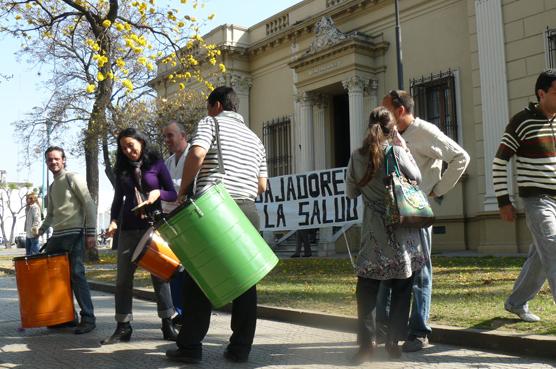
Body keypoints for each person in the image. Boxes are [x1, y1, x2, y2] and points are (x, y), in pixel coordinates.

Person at [165, 86, 267, 364]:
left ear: (217, 106)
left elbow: (197, 155)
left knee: (197, 276)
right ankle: (239, 349)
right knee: (246, 283)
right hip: (247, 209)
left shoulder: (210, 123)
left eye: (209, 106)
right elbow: (262, 185)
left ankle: (189, 347)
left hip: (216, 208)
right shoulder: (255, 138)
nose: (207, 112)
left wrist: (183, 190)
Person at [381, 90, 470, 352]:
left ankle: (419, 331)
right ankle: (387, 330)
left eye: (386, 111)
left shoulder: (425, 132)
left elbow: (460, 157)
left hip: (418, 215)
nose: (382, 116)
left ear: (399, 111)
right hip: (394, 215)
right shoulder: (390, 135)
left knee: (420, 272)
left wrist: (438, 190)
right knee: (391, 271)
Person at [346, 106, 426, 362]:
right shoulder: (397, 152)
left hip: (372, 235)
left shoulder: (357, 156)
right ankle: (393, 342)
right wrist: (404, 148)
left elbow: (351, 192)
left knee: (367, 291)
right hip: (400, 234)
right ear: (393, 130)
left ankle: (366, 345)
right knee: (402, 287)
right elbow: (418, 178)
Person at [102, 128, 179, 344]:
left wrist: (158, 194)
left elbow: (172, 193)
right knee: (123, 280)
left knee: (160, 276)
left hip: (153, 227)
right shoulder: (122, 170)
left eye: (130, 145)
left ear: (141, 142)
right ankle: (123, 326)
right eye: (123, 147)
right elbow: (119, 200)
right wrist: (114, 221)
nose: (128, 150)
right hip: (128, 228)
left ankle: (167, 323)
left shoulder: (156, 163)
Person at [493, 69, 556, 323]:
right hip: (537, 200)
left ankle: (516, 303)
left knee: (541, 256)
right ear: (541, 94)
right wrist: (503, 201)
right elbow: (499, 162)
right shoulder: (521, 121)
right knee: (553, 247)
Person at [38, 146, 97, 334]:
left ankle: (88, 318)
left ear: (63, 160)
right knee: (54, 277)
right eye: (49, 160)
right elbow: (51, 214)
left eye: (56, 159)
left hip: (75, 234)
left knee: (77, 274)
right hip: (57, 236)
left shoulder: (73, 178)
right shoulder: (53, 186)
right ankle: (66, 317)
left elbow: (88, 203)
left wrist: (91, 233)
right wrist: (40, 229)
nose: (53, 162)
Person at [161, 121, 190, 325]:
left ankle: (191, 311)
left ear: (183, 135)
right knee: (174, 268)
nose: (167, 140)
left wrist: (169, 192)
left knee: (189, 269)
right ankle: (180, 310)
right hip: (171, 220)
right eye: (165, 136)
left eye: (170, 135)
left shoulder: (194, 156)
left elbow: (185, 188)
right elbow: (166, 191)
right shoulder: (169, 162)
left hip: (189, 219)